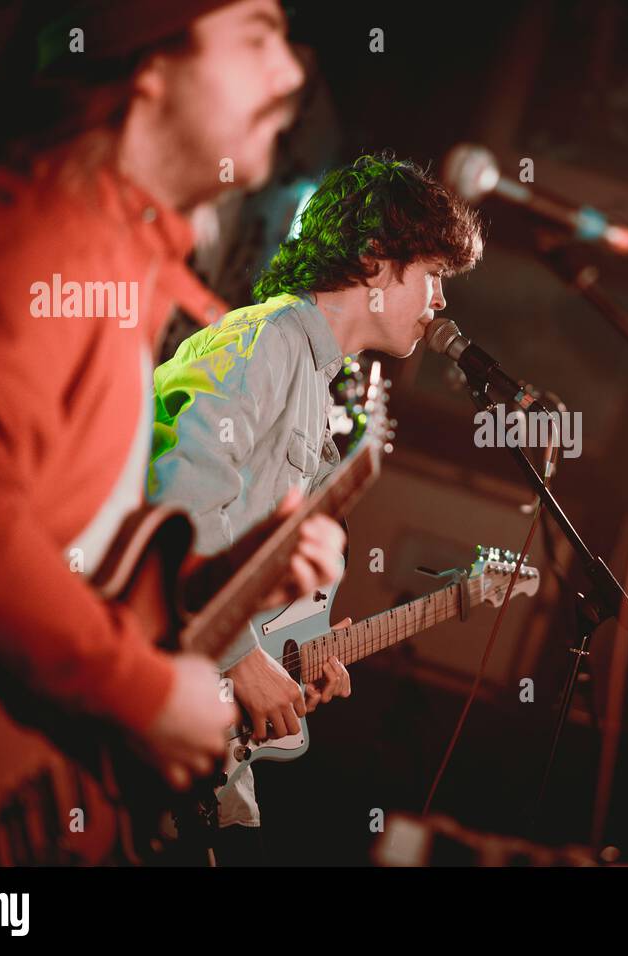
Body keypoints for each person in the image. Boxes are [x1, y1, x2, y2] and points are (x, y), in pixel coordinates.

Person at [0, 0, 345, 864]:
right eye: (256, 36)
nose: (290, 73)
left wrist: (233, 576)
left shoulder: (123, 260)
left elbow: (77, 553)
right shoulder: (41, 232)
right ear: (148, 66)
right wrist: (143, 694)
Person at [148, 152, 484, 862]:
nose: (442, 303)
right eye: (433, 276)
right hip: (148, 722)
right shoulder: (268, 341)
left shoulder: (323, 391)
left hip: (200, 772)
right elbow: (173, 497)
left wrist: (294, 662)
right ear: (372, 262)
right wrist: (241, 659)